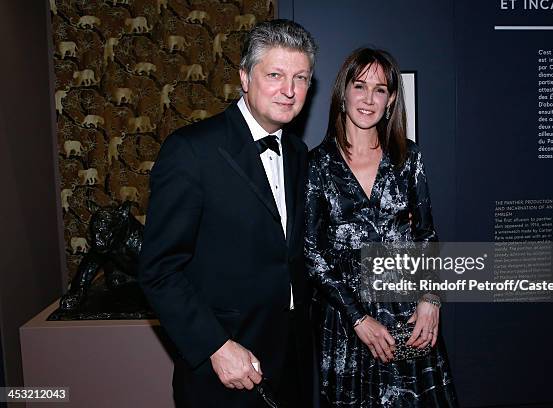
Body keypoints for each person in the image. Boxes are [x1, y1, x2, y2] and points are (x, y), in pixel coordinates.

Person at [138, 19, 317, 408]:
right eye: (275, 74)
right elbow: (158, 270)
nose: (289, 91)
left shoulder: (300, 154)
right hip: (222, 370)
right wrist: (216, 347)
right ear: (244, 77)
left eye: (301, 78)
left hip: (292, 364)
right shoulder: (191, 150)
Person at [305, 48, 459, 407]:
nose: (368, 99)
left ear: (391, 100)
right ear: (343, 93)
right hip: (346, 322)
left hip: (408, 314)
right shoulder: (317, 165)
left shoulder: (408, 157)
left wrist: (431, 300)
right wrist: (359, 319)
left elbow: (426, 235)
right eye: (360, 86)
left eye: (380, 89)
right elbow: (312, 253)